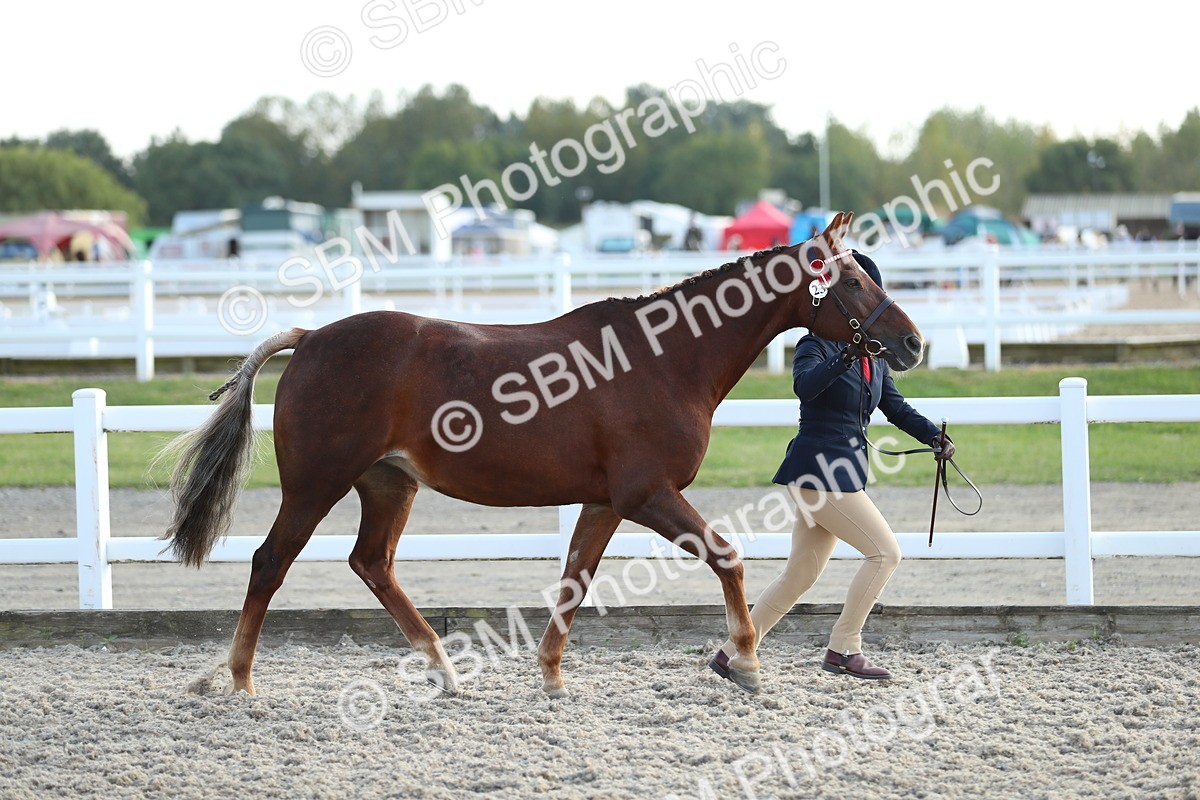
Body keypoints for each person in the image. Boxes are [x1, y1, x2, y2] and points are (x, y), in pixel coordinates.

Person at [709, 250, 954, 683]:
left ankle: (732, 652)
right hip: (818, 472)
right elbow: (805, 387)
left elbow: (895, 408)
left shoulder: (874, 359)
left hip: (840, 472)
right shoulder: (815, 344)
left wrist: (933, 436)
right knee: (884, 554)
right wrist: (843, 357)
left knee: (799, 575)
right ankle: (844, 648)